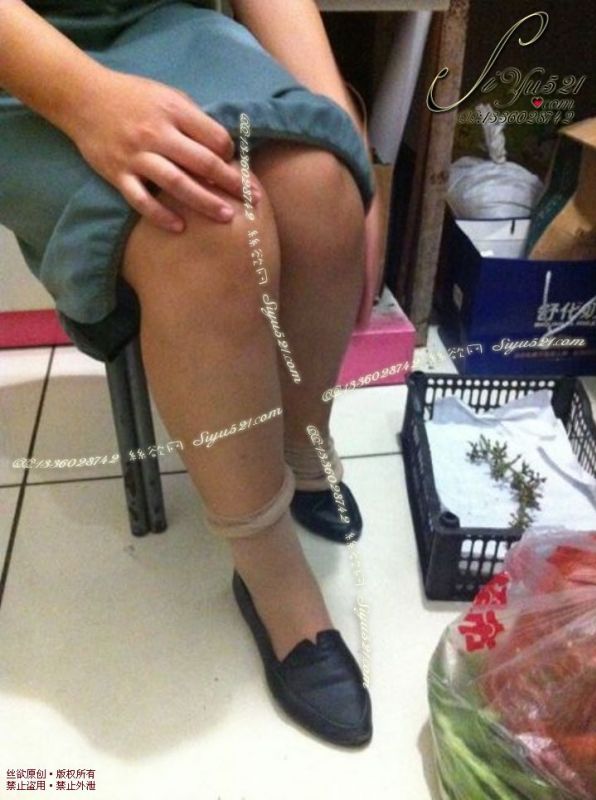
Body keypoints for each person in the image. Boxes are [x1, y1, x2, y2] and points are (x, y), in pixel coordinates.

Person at [0, 0, 376, 746]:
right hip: (19, 61)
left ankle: (304, 444)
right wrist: (85, 99)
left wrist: (344, 130)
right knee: (208, 227)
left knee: (320, 187)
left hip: (164, 22)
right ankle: (270, 570)